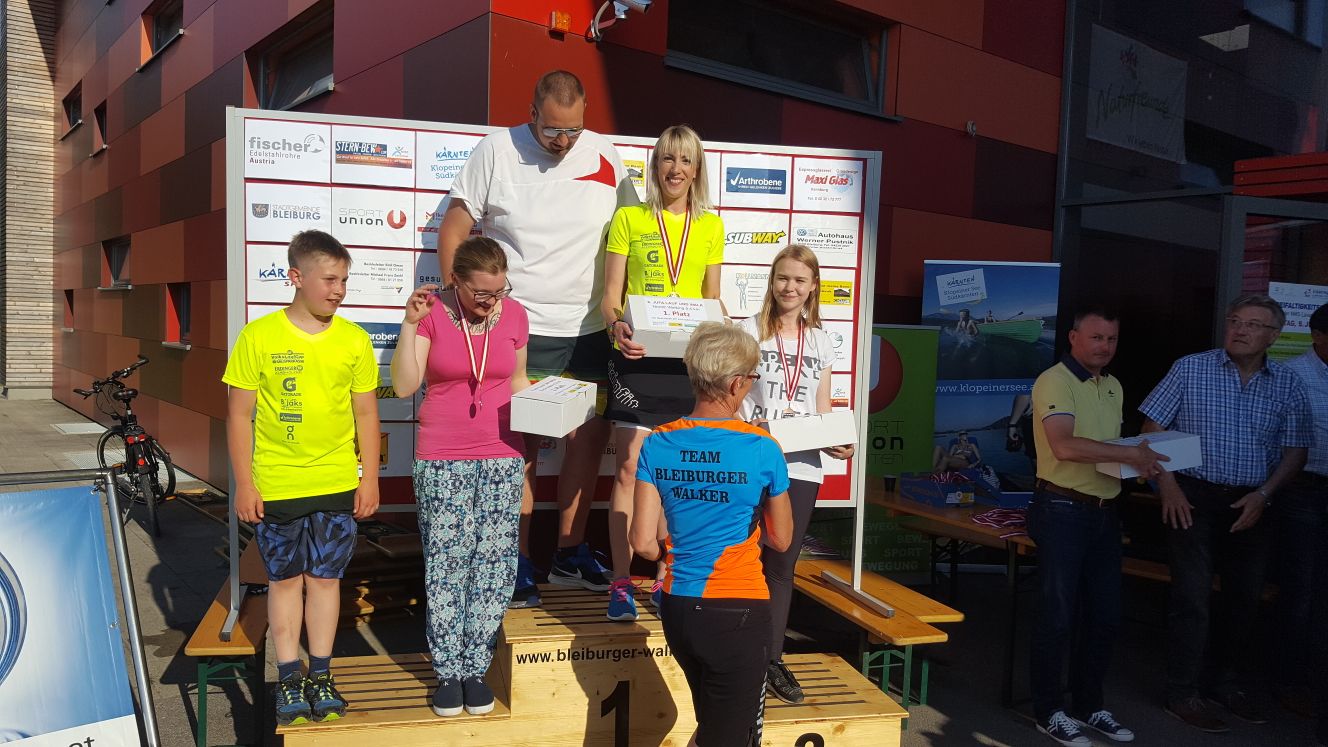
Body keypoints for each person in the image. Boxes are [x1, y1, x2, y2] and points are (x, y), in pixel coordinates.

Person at [439, 70, 638, 607]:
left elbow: (635, 234)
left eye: (574, 130)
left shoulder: (606, 153)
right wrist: (459, 298)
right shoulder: (495, 151)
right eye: (553, 130)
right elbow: (455, 227)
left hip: (591, 329)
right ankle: (519, 559)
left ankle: (569, 552)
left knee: (588, 440)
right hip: (520, 325)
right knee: (518, 448)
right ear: (532, 114)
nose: (564, 141)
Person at [223, 230, 380, 726]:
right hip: (277, 485)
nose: (339, 290)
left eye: (344, 280)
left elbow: (366, 415)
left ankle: (322, 675)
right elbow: (238, 416)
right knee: (285, 582)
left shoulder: (354, 339)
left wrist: (369, 479)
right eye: (330, 279)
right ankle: (289, 677)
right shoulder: (258, 336)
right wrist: (245, 484)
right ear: (296, 276)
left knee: (326, 582)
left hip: (335, 483)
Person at [1139, 294, 1311, 732]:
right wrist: (1168, 486)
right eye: (1235, 320)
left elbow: (1296, 451)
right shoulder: (1191, 368)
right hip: (1192, 495)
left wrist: (1265, 495)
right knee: (1192, 598)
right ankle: (1182, 691)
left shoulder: (1288, 383)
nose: (1240, 329)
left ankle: (1226, 684)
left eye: (1253, 324)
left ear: (1274, 336)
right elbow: (1151, 429)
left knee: (1245, 598)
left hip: (1253, 502)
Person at [629, 322, 794, 747]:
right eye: (752, 377)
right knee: (729, 735)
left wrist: (671, 550)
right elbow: (781, 540)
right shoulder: (762, 447)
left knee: (713, 729)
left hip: (678, 607)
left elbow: (643, 543)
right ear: (737, 383)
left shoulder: (658, 442)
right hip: (738, 608)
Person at [391, 237, 531, 718]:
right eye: (481, 293)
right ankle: (448, 671)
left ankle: (476, 668)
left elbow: (518, 382)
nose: (491, 302)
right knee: (448, 563)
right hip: (442, 455)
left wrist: (551, 411)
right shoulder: (432, 312)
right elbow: (404, 385)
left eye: (499, 291)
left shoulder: (515, 315)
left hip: (502, 453)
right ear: (456, 281)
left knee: (494, 565)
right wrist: (409, 324)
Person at [600, 124, 725, 621]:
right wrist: (616, 328)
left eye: (685, 160)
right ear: (655, 166)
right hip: (636, 357)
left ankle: (666, 573)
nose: (676, 169)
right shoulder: (629, 218)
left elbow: (713, 299)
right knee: (629, 468)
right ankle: (619, 581)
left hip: (686, 365)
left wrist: (723, 334)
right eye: (668, 159)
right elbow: (611, 297)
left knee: (679, 470)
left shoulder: (711, 226)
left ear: (697, 170)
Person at [1027, 308, 1166, 746]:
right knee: (1057, 616)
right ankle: (1048, 711)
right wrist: (1131, 455)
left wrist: (1137, 464)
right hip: (1061, 508)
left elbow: (1107, 450)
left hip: (1104, 510)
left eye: (1112, 339)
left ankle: (1089, 705)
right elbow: (1064, 446)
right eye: (1096, 337)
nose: (1105, 346)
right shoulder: (1054, 381)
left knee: (1105, 616)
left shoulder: (1113, 385)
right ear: (1073, 337)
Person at [736, 245, 853, 704]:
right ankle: (735, 651)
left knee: (782, 565)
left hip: (802, 465)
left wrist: (836, 440)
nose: (790, 287)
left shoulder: (820, 340)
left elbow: (821, 408)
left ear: (813, 287)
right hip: (752, 458)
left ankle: (772, 659)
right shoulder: (747, 331)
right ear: (772, 281)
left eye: (800, 280)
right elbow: (731, 397)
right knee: (740, 557)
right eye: (783, 278)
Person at [1277, 302, 1328, 733]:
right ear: (1318, 336)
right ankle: (1289, 682)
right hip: (1303, 491)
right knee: (1302, 590)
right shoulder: (1292, 375)